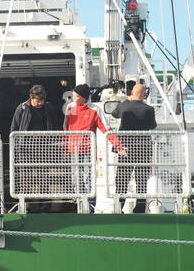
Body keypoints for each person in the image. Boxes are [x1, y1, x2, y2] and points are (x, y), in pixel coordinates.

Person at [65, 83, 122, 210]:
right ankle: (78, 206)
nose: (74, 97)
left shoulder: (95, 110)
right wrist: (65, 146)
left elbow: (106, 129)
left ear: (84, 97)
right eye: (74, 95)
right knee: (75, 178)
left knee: (88, 178)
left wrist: (118, 145)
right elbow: (66, 128)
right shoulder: (70, 108)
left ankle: (90, 206)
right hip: (72, 149)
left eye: (77, 95)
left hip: (87, 150)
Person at [112, 83, 157, 212]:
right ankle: (140, 207)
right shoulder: (149, 109)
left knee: (122, 177)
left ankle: (118, 206)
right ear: (143, 95)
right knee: (141, 178)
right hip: (143, 148)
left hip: (125, 148)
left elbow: (115, 113)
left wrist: (126, 100)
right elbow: (152, 125)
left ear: (132, 93)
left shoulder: (124, 105)